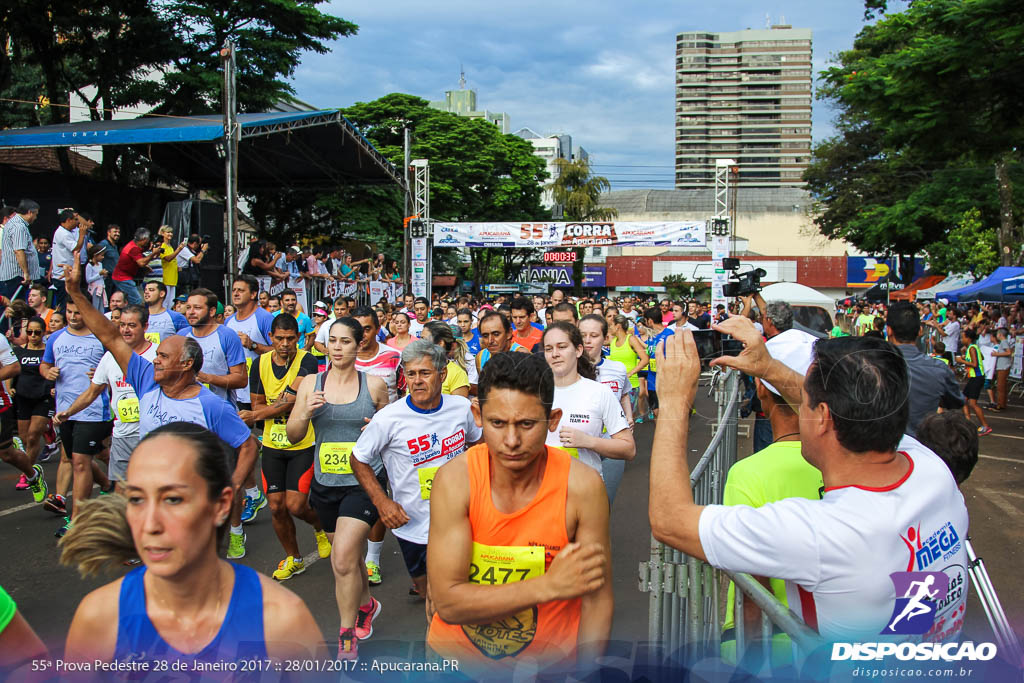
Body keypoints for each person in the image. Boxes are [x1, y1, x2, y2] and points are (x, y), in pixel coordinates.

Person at [649, 318, 970, 642]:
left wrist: (675, 402)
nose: (797, 405)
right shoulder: (931, 470)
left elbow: (668, 519)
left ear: (822, 417)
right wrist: (768, 367)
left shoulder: (821, 533)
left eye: (803, 401)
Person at [60, 422, 326, 664]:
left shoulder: (282, 621)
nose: (150, 524)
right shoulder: (100, 618)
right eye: (137, 499)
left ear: (221, 505)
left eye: (173, 499)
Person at [63, 254, 259, 560]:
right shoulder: (146, 380)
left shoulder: (209, 405)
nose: (155, 359)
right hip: (151, 491)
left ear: (186, 364)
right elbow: (111, 337)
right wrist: (75, 292)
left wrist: (234, 485)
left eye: (164, 356)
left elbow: (247, 445)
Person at [426, 351, 612, 671]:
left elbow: (598, 598)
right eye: (498, 423)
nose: (511, 441)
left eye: (526, 424)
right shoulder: (455, 481)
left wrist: (584, 673)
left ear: (553, 420)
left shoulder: (582, 487)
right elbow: (449, 603)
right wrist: (546, 586)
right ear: (478, 415)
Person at [350, 340, 482, 609]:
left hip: (460, 521)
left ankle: (445, 647)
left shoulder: (460, 408)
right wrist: (382, 502)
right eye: (411, 374)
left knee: (444, 598)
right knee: (426, 593)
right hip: (413, 527)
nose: (417, 381)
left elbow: (478, 443)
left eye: (425, 373)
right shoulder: (388, 418)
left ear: (442, 374)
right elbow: (358, 459)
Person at [287, 317, 390, 660]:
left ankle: (346, 634)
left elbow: (392, 437)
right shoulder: (310, 384)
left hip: (363, 483)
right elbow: (293, 435)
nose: (337, 347)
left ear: (359, 345)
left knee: (343, 557)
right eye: (333, 340)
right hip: (326, 484)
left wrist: (377, 428)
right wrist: (305, 412)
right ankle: (366, 603)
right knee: (349, 560)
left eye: (345, 341)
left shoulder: (374, 386)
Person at [718, 334, 821, 668]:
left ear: (761, 390)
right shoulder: (851, 461)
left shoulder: (748, 473)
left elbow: (753, 589)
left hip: (772, 643)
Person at [239, 314, 331, 580]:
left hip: (302, 442)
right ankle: (294, 557)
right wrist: (268, 409)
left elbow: (292, 401)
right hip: (272, 444)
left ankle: (320, 527)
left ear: (298, 338)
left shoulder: (308, 360)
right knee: (277, 506)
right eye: (279, 338)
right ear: (271, 338)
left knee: (296, 505)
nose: (285, 344)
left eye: (291, 339)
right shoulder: (259, 364)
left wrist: (260, 414)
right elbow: (257, 404)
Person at [57, 304, 156, 487]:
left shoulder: (158, 355)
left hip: (151, 434)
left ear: (145, 326)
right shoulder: (110, 358)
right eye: (123, 325)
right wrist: (69, 412)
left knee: (148, 487)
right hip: (121, 434)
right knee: (120, 490)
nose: (126, 330)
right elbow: (92, 391)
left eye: (132, 325)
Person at [45, 296, 114, 537]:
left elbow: (120, 361)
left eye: (79, 313)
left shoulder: (101, 336)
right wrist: (48, 372)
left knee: (81, 462)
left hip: (95, 409)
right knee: (77, 459)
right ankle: (107, 485)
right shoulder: (55, 337)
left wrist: (104, 371)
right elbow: (45, 365)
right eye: (70, 313)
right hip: (65, 411)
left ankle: (77, 519)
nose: (74, 317)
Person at [542, 321, 634, 488]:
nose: (555, 354)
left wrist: (588, 441)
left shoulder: (599, 392)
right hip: (544, 490)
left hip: (586, 491)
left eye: (562, 347)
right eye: (549, 349)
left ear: (578, 350)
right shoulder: (533, 393)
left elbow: (628, 448)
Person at [885, 302, 964, 436]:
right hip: (923, 446)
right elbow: (956, 402)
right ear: (920, 331)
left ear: (889, 330)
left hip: (882, 448)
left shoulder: (870, 366)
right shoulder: (939, 369)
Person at [578, 315, 634, 504]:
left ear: (605, 338)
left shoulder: (617, 368)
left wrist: (628, 416)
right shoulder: (568, 370)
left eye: (593, 335)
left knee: (604, 503)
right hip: (580, 445)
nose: (587, 340)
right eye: (582, 335)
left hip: (611, 444)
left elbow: (625, 393)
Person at [183, 288, 248, 408]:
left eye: (197, 308)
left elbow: (241, 380)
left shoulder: (227, 336)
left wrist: (207, 378)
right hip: (188, 410)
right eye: (188, 307)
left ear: (212, 311)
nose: (191, 312)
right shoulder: (181, 336)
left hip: (221, 410)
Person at [13, 317, 58, 475]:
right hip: (23, 397)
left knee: (33, 437)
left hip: (43, 397)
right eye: (30, 332)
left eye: (37, 332)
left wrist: (53, 388)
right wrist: (10, 388)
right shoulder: (19, 351)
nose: (33, 335)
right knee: (25, 439)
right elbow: (11, 371)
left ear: (43, 333)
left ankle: (27, 475)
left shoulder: (49, 351)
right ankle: (30, 468)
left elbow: (56, 371)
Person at [0, 200, 41, 300]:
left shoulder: (15, 223)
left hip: (14, 275)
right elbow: (18, 251)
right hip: (16, 275)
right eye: (35, 214)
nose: (36, 218)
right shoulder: (18, 226)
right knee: (16, 307)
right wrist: (26, 273)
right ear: (30, 212)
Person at [641, 306, 674, 420]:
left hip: (666, 379)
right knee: (656, 412)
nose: (645, 324)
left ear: (650, 320)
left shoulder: (669, 334)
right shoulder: (651, 335)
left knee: (666, 413)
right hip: (652, 379)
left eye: (645, 321)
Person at [422, 320, 470, 398]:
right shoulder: (416, 369)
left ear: (440, 343)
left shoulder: (457, 374)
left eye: (424, 339)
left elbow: (459, 408)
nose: (420, 343)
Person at [957, 327, 991, 436]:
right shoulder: (972, 347)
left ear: (968, 338)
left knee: (972, 403)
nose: (962, 340)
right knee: (963, 399)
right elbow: (981, 357)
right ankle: (968, 422)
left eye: (963, 337)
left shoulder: (972, 348)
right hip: (975, 377)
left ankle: (985, 426)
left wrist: (962, 360)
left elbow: (975, 364)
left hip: (977, 377)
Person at [50, 209, 87, 309]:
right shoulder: (63, 233)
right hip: (63, 276)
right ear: (68, 220)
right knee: (65, 304)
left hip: (64, 274)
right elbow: (76, 248)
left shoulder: (64, 231)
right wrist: (82, 235)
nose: (77, 222)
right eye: (75, 219)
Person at [111, 228, 157, 306]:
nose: (149, 241)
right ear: (144, 239)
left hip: (120, 276)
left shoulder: (133, 245)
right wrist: (153, 253)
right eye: (148, 238)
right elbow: (141, 263)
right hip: (123, 278)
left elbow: (139, 261)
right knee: (137, 301)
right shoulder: (133, 248)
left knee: (122, 301)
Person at [155, 225, 186, 302]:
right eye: (168, 232)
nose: (170, 234)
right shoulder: (162, 246)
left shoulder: (170, 246)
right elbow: (168, 258)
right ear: (162, 233)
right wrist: (179, 249)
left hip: (173, 278)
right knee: (165, 302)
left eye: (171, 232)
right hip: (166, 278)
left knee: (171, 302)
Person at [96, 224, 121, 298]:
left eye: (118, 232)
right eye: (115, 232)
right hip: (107, 278)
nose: (117, 234)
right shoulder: (103, 244)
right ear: (108, 233)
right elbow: (96, 258)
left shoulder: (115, 246)